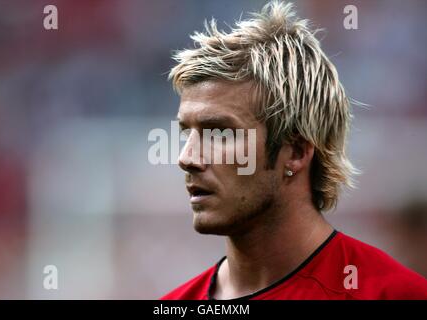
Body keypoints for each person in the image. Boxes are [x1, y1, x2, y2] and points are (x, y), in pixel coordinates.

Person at [161, 1, 427, 300]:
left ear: (296, 152)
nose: (186, 158)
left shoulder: (391, 293)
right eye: (187, 133)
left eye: (220, 134)